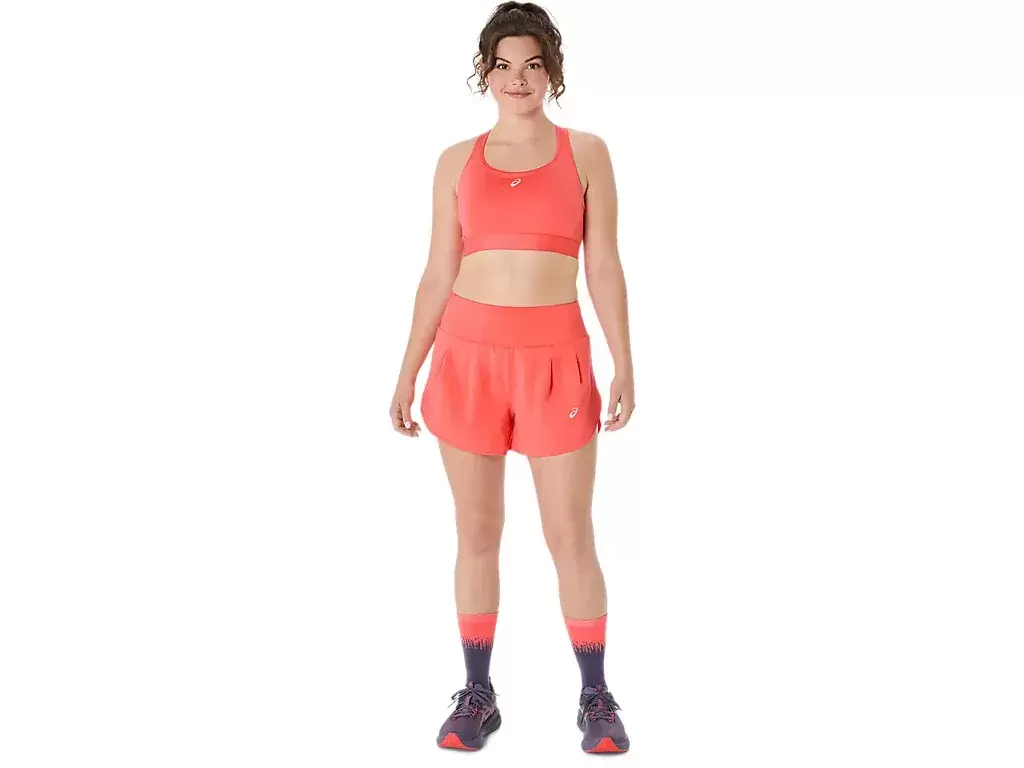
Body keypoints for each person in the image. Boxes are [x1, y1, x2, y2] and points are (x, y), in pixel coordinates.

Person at [388, 1, 635, 754]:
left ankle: (595, 695)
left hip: (555, 363)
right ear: (485, 72)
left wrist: (624, 360)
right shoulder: (455, 161)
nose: (518, 79)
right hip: (467, 360)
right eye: (503, 65)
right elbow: (438, 271)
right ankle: (478, 693)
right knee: (477, 532)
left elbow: (603, 264)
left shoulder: (586, 152)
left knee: (570, 535)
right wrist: (407, 371)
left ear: (551, 71)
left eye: (532, 65)